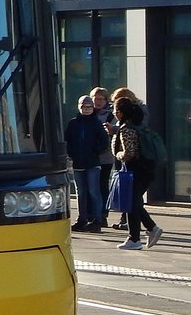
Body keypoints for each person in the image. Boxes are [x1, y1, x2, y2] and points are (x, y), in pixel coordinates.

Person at [108, 97, 163, 250]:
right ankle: (151, 229)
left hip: (134, 171)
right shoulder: (140, 126)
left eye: (115, 110)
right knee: (135, 202)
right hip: (146, 170)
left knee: (131, 203)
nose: (114, 113)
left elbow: (129, 153)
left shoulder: (126, 129)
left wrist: (118, 154)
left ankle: (135, 238)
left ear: (120, 112)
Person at [66, 94, 109, 232]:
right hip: (78, 163)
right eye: (84, 107)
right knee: (81, 192)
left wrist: (95, 151)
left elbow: (104, 141)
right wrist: (71, 154)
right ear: (79, 107)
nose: (87, 109)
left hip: (92, 163)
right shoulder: (73, 123)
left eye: (90, 107)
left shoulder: (96, 123)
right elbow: (67, 141)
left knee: (93, 191)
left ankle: (97, 219)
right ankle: (82, 219)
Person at [89, 87, 114, 226]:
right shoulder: (87, 113)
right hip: (89, 157)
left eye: (100, 99)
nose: (97, 102)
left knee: (102, 185)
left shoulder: (110, 116)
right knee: (90, 186)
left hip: (105, 157)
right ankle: (91, 214)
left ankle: (103, 214)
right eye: (95, 99)